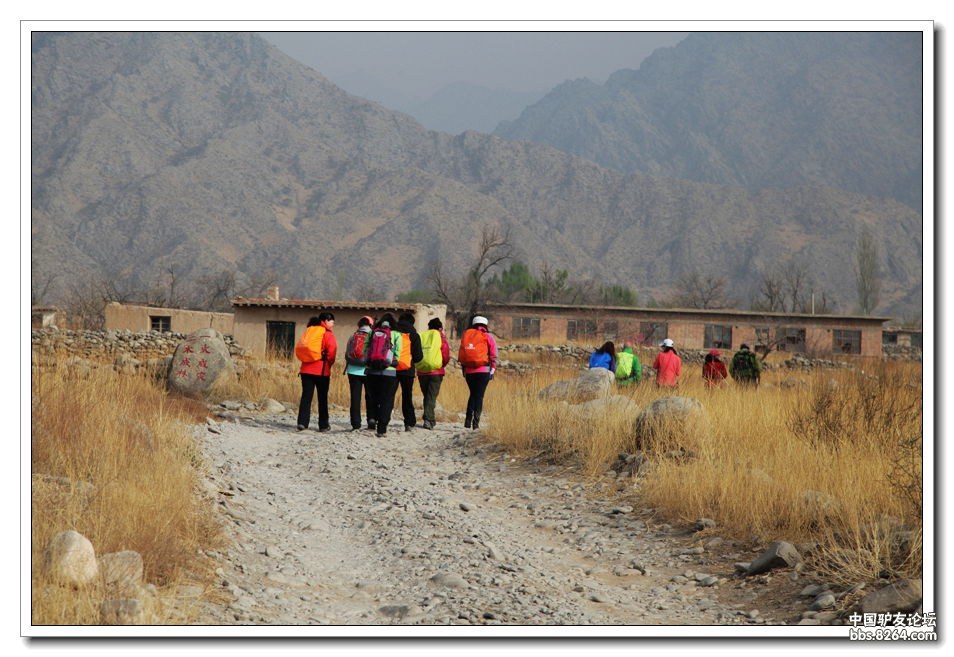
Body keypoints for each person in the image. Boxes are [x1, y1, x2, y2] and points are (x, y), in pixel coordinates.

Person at [297, 312, 337, 432]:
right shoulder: (327, 334)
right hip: (321, 371)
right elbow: (332, 352)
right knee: (322, 398)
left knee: (306, 397)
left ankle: (302, 423)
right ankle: (323, 425)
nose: (333, 325)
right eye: (332, 322)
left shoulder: (309, 330)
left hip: (305, 370)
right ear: (326, 320)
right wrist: (329, 364)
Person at [364, 313, 403, 437]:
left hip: (371, 370)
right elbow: (397, 353)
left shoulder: (372, 332)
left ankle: (372, 418)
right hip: (389, 371)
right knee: (387, 400)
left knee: (373, 397)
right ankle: (382, 428)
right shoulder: (397, 334)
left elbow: (365, 349)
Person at [458, 315, 498, 430]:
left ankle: (467, 421)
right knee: (479, 396)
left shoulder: (467, 336)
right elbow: (493, 355)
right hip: (483, 371)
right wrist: (493, 370)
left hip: (469, 372)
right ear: (485, 325)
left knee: (472, 394)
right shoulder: (488, 336)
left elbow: (463, 354)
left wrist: (464, 371)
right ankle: (475, 423)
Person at [416, 317, 451, 430]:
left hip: (422, 371)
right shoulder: (440, 336)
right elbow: (445, 353)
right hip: (436, 372)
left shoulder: (423, 335)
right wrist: (441, 365)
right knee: (431, 397)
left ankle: (430, 419)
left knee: (427, 396)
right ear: (440, 327)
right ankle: (428, 419)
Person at [343, 315, 375, 431]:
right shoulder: (373, 335)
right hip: (368, 371)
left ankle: (355, 423)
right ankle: (371, 419)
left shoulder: (353, 335)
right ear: (371, 325)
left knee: (355, 398)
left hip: (352, 370)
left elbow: (347, 353)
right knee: (370, 396)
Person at [394, 312, 424, 431]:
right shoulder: (414, 335)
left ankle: (381, 420)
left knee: (389, 395)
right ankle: (409, 422)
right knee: (407, 396)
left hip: (392, 368)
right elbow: (418, 356)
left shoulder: (393, 332)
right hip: (408, 370)